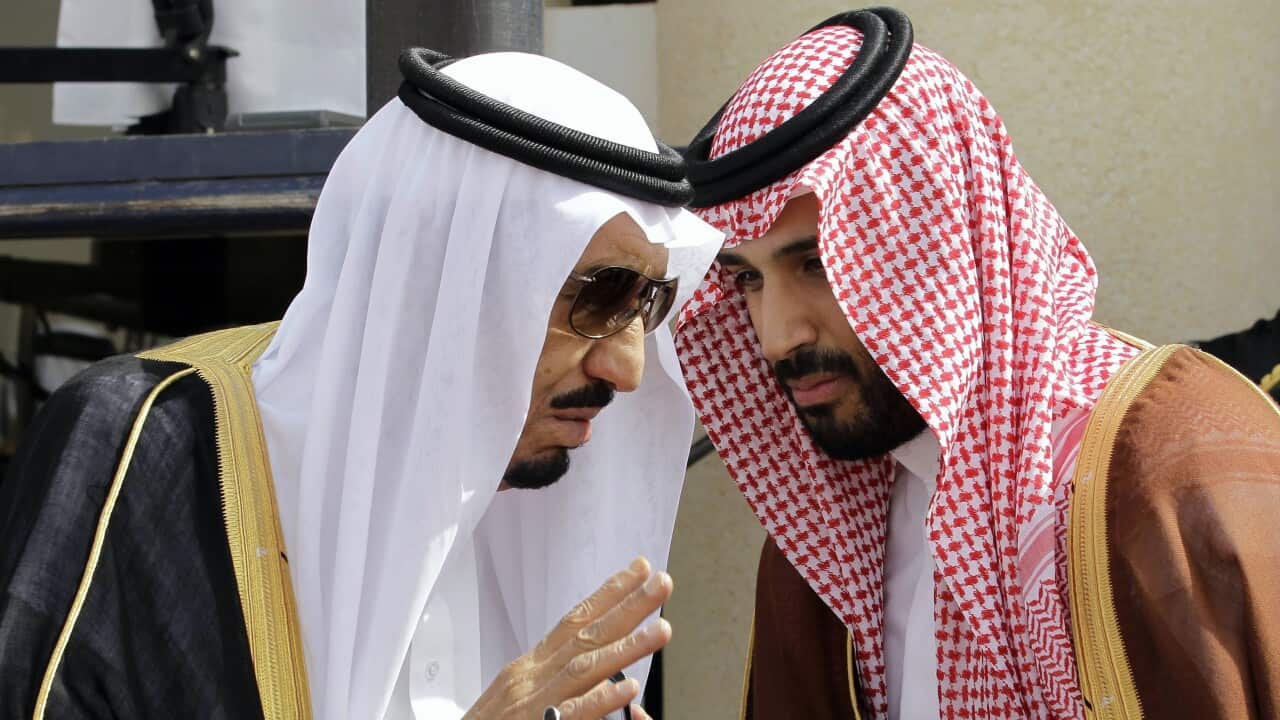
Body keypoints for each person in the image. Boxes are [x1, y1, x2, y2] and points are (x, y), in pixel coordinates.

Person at [0, 48, 720, 720]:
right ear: (442, 270)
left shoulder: (571, 532)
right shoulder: (152, 444)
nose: (625, 369)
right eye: (597, 295)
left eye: (645, 305)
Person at [675, 7, 1280, 719]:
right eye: (747, 279)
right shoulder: (824, 539)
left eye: (817, 262)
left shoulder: (1164, 469)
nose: (777, 336)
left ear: (938, 244)